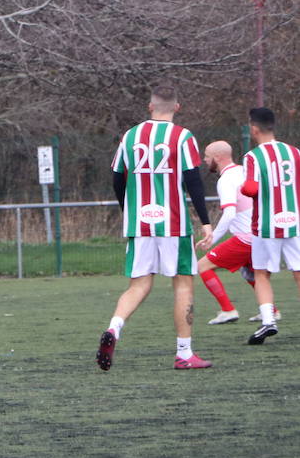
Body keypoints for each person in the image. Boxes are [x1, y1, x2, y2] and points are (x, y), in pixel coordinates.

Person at [96, 85, 213, 371]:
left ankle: (114, 329)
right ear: (177, 107)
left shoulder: (130, 136)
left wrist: (128, 211)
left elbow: (116, 177)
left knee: (139, 285)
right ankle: (184, 354)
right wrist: (206, 222)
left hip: (140, 222)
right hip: (173, 222)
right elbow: (193, 180)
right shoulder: (182, 136)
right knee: (183, 283)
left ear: (150, 107)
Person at [238, 107, 300, 345]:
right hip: (293, 221)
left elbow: (251, 189)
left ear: (253, 129)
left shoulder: (253, 156)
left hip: (266, 224)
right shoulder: (294, 152)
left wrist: (244, 188)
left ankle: (268, 321)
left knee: (262, 273)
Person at [195, 141, 273, 325]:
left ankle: (228, 310)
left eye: (206, 156)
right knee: (251, 273)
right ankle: (272, 311)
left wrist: (212, 237)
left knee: (202, 266)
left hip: (247, 238)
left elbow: (229, 213)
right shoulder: (244, 172)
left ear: (217, 158)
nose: (204, 160)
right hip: (261, 234)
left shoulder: (226, 179)